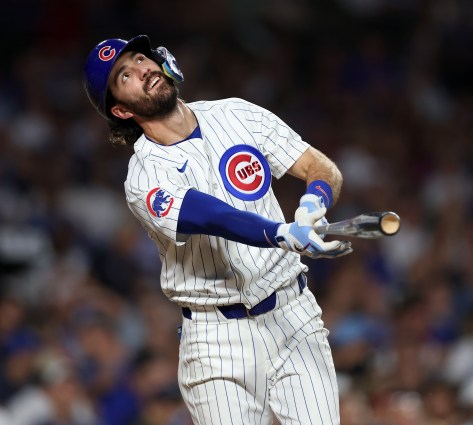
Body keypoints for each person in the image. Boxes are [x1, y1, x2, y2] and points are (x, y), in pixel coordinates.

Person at [83, 35, 353, 425]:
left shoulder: (236, 113)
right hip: (216, 338)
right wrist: (280, 232)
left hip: (294, 315)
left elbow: (321, 168)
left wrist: (315, 202)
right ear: (122, 111)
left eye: (141, 58)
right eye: (125, 75)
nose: (142, 70)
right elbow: (210, 215)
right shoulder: (143, 175)